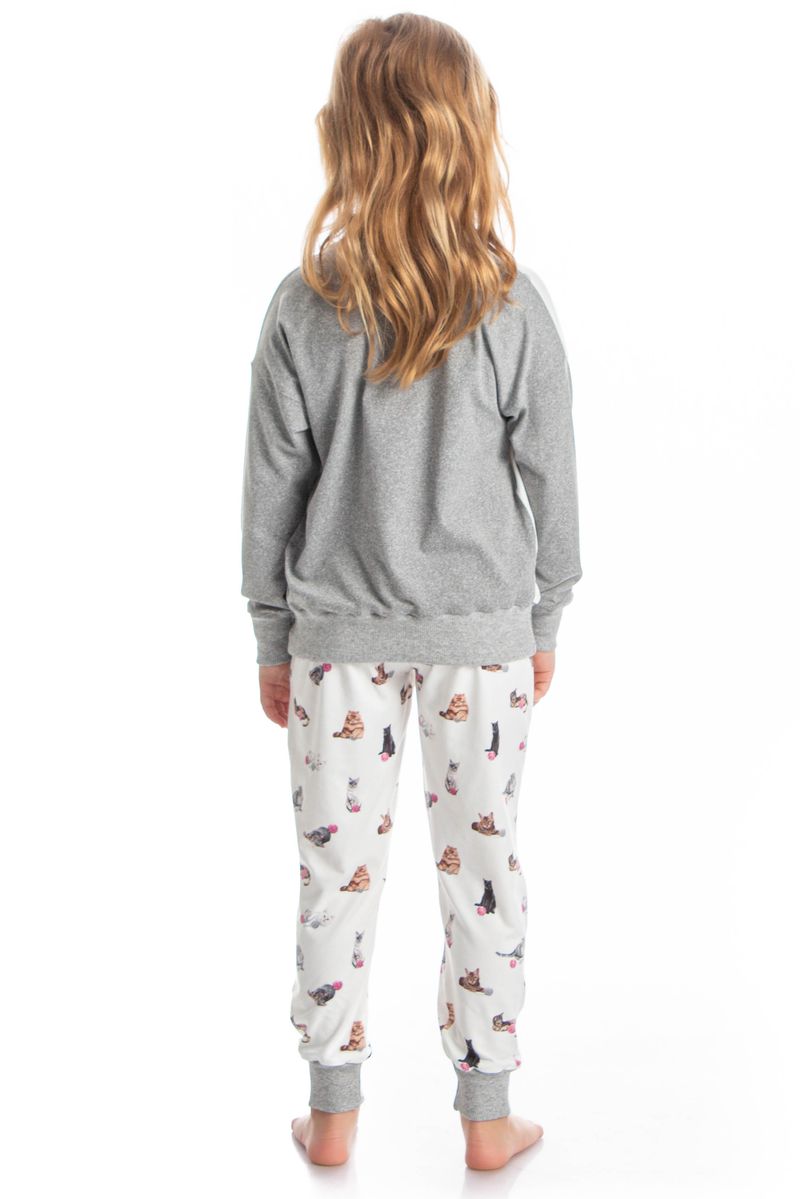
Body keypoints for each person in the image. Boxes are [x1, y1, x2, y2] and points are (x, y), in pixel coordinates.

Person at [240, 13, 582, 1171]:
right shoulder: (510, 304)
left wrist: (272, 635)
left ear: (346, 136)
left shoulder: (303, 306)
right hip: (481, 644)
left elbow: (269, 494)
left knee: (333, 876)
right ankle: (487, 1118)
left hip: (335, 644)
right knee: (482, 869)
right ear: (467, 134)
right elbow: (552, 477)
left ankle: (330, 1112)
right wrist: (542, 613)